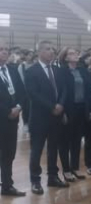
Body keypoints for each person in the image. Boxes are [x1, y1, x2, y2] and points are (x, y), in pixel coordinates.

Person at [25, 40, 69, 194]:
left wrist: (61, 104)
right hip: (40, 117)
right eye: (48, 49)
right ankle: (35, 181)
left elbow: (64, 89)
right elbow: (33, 94)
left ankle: (53, 176)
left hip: (56, 117)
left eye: (53, 49)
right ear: (39, 52)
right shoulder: (31, 71)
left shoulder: (57, 70)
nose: (52, 52)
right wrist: (52, 107)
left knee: (53, 148)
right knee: (36, 150)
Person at [58, 47, 91, 182]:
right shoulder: (61, 71)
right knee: (65, 141)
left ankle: (75, 167)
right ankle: (66, 170)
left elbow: (89, 91)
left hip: (81, 108)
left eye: (76, 53)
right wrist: (62, 112)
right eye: (72, 53)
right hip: (68, 109)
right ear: (65, 57)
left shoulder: (83, 70)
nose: (75, 55)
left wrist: (90, 109)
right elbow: (60, 92)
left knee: (77, 140)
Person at [0, 40, 27, 196]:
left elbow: (22, 92)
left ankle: (7, 185)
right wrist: (7, 111)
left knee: (9, 153)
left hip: (12, 119)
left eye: (6, 49)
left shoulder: (12, 69)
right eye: (1, 49)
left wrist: (18, 107)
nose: (4, 52)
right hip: (2, 115)